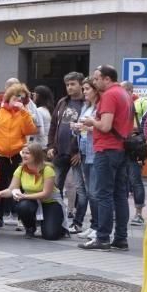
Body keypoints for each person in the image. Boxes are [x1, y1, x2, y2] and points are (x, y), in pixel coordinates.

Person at [80, 64, 133, 251]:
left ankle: (102, 238)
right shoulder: (124, 93)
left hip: (107, 149)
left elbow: (105, 126)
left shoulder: (110, 95)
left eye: (96, 78)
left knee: (104, 195)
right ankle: (120, 238)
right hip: (121, 150)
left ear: (107, 79)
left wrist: (91, 121)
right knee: (120, 195)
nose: (95, 82)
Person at [0, 83, 37, 228]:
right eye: (16, 97)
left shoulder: (24, 114)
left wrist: (24, 112)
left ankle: (20, 217)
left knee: (20, 185)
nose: (18, 100)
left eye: (22, 98)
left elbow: (30, 130)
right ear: (8, 97)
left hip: (17, 154)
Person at [0, 142, 65, 240]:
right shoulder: (21, 169)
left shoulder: (47, 169)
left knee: (50, 235)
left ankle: (57, 225)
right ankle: (30, 228)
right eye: (23, 153)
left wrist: (24, 196)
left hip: (50, 202)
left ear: (36, 155)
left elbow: (46, 194)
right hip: (32, 201)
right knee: (23, 206)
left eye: (27, 153)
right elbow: (12, 189)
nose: (24, 155)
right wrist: (0, 193)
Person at [47, 73, 86, 218]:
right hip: (59, 152)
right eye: (67, 84)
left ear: (81, 84)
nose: (69, 87)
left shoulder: (87, 103)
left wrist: (80, 152)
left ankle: (78, 220)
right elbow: (53, 125)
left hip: (76, 154)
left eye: (73, 84)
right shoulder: (62, 102)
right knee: (55, 186)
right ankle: (56, 218)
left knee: (80, 189)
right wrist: (51, 146)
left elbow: (86, 132)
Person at [72, 78, 99, 238]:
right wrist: (75, 128)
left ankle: (98, 227)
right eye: (84, 89)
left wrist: (87, 127)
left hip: (94, 152)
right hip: (84, 150)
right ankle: (94, 225)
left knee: (95, 191)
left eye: (87, 89)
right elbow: (81, 127)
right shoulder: (85, 106)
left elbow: (102, 128)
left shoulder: (100, 107)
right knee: (89, 191)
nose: (85, 92)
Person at [121, 81, 147, 226]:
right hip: (121, 148)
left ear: (130, 91)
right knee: (122, 182)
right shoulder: (122, 104)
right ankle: (121, 211)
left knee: (135, 181)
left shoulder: (137, 104)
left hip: (133, 149)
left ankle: (138, 214)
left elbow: (140, 127)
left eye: (123, 90)